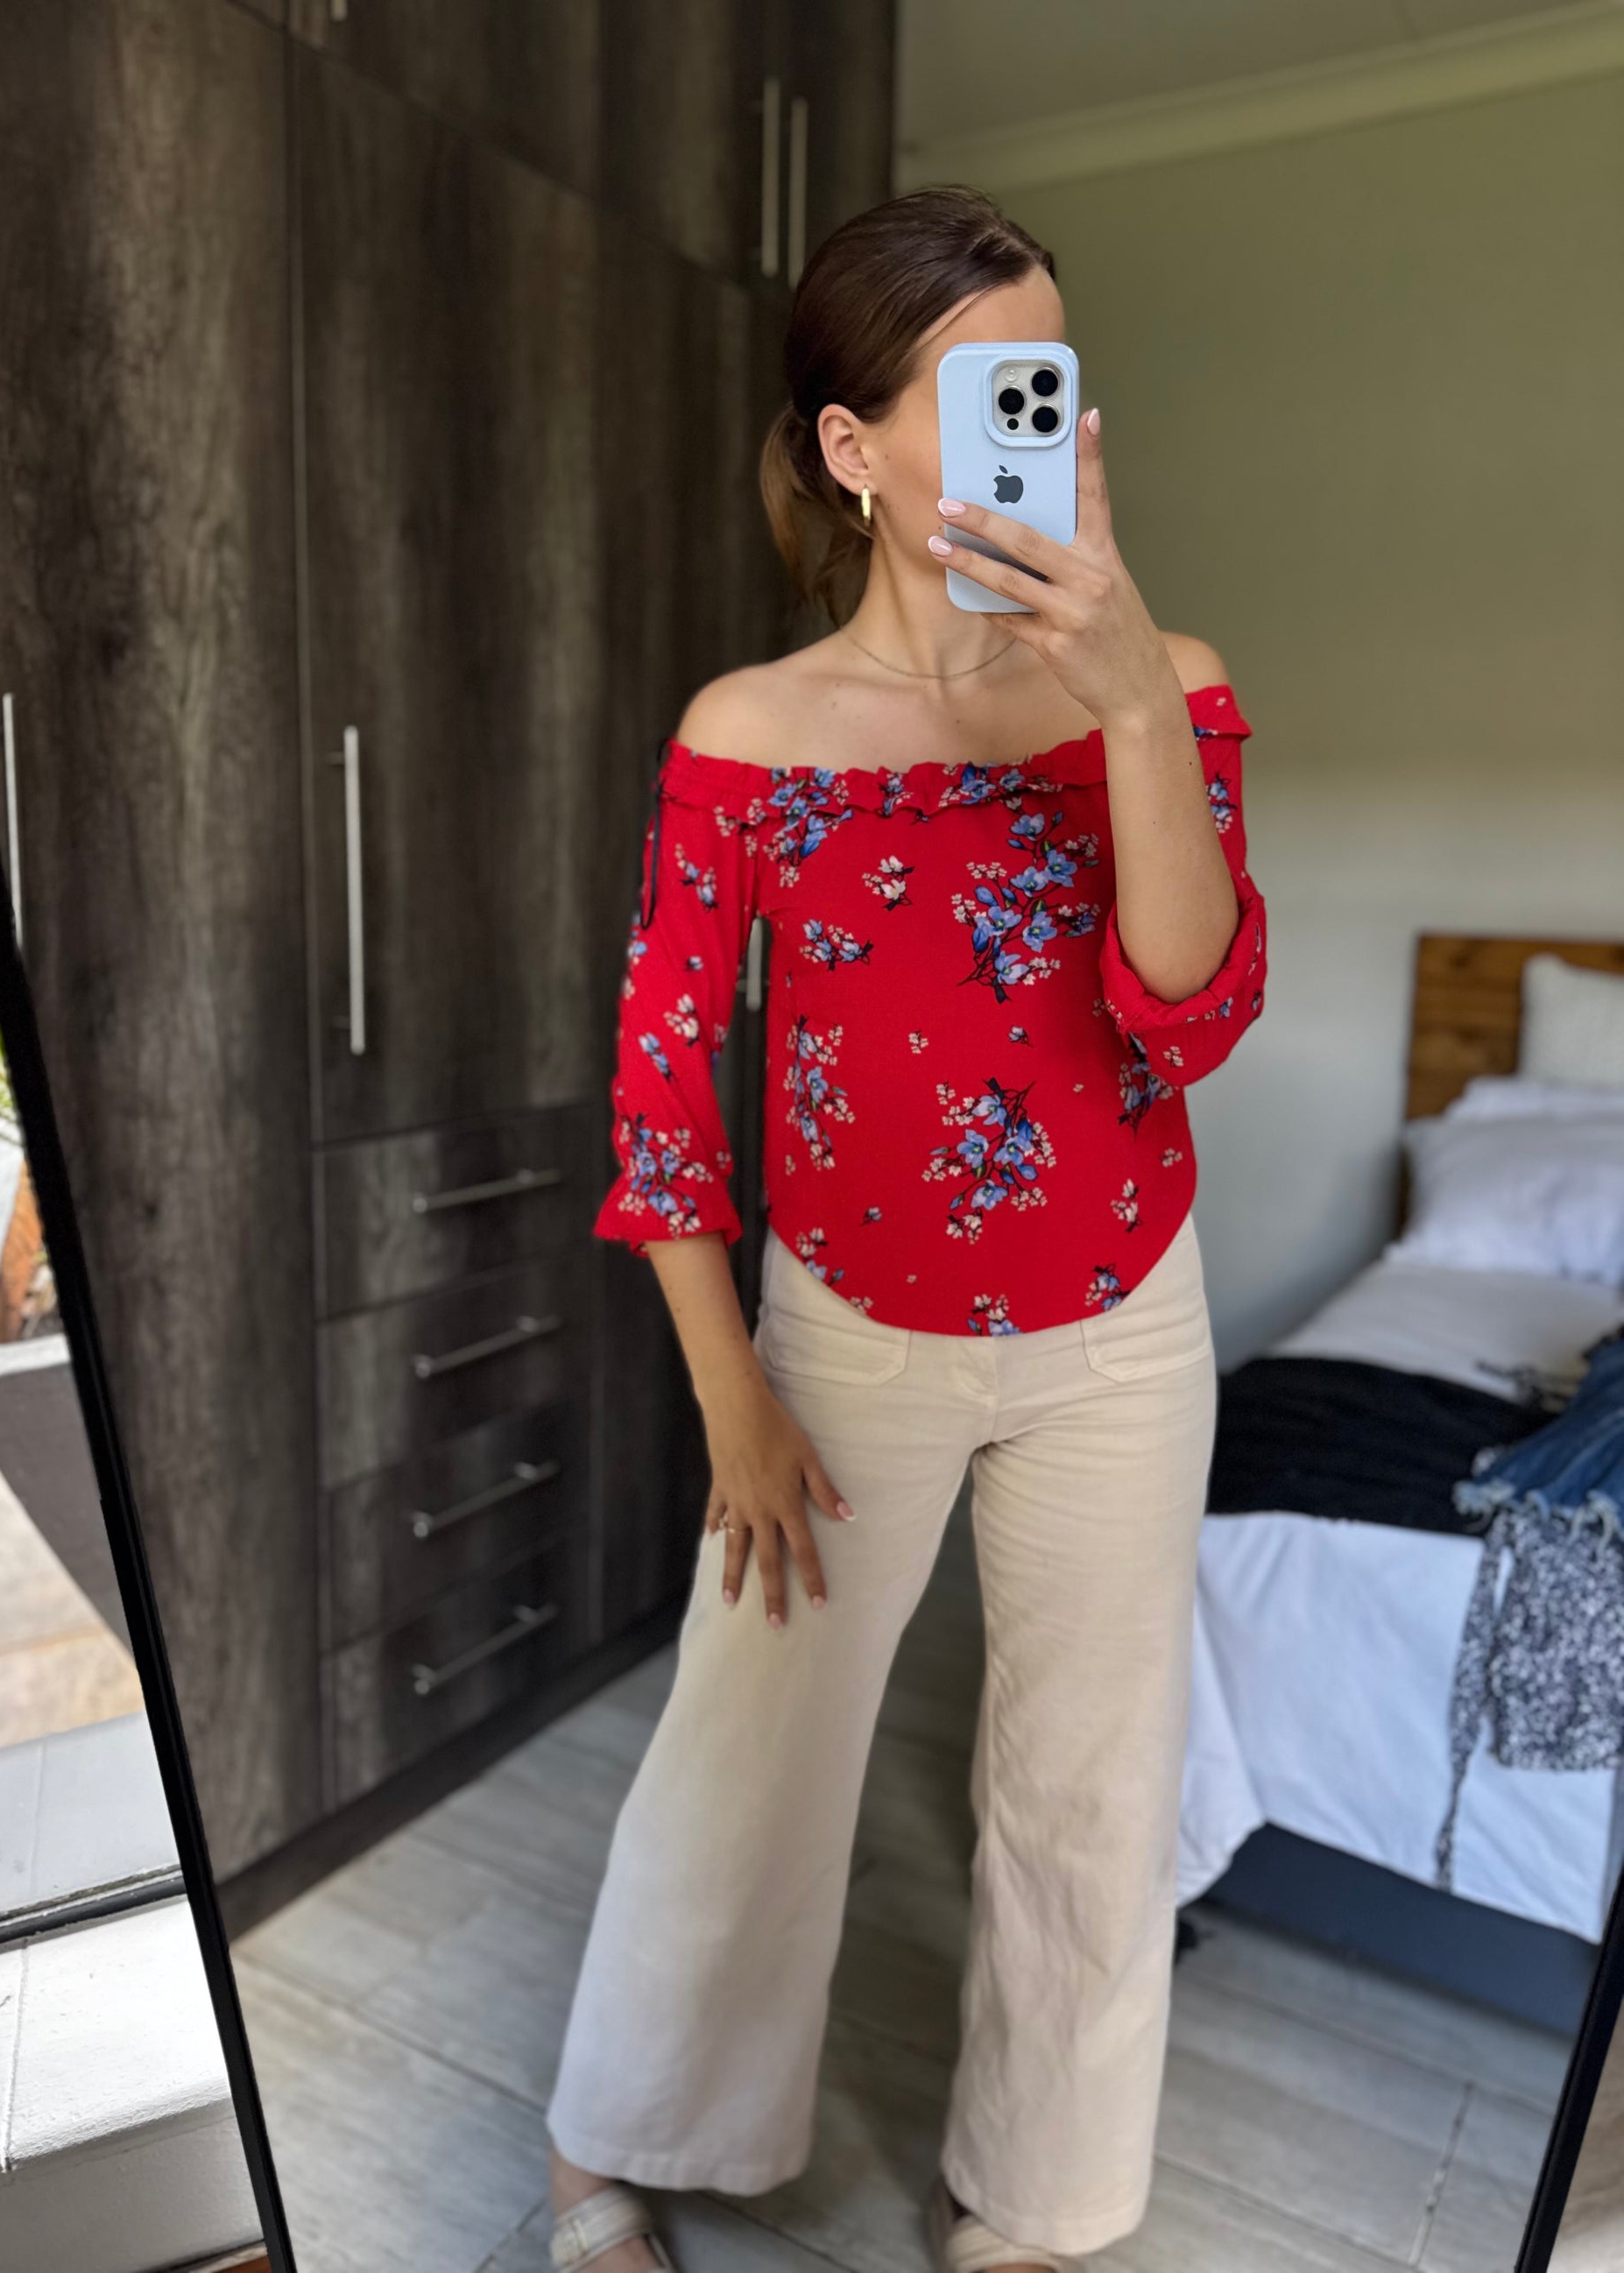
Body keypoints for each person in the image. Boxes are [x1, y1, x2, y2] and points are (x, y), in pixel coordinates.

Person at [545, 184, 1267, 2273]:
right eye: (980, 387)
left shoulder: (1167, 682)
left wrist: (1129, 703)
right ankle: (616, 2134)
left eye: (1050, 374)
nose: (1039, 413)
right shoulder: (749, 735)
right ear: (852, 449)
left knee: (1088, 1789)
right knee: (745, 1757)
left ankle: (1029, 2200)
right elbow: (663, 1096)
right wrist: (733, 1397)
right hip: (844, 1331)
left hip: (1123, 1325)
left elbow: (1188, 1010)